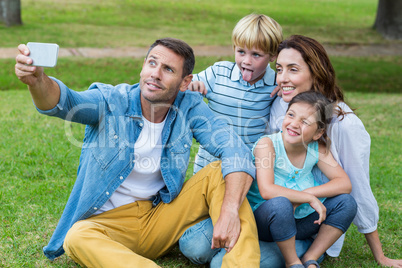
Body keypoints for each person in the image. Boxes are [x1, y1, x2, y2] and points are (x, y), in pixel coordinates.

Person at [14, 37, 261, 267]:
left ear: (185, 82)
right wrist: (38, 82)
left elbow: (235, 150)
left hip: (157, 217)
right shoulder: (113, 100)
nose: (155, 74)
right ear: (143, 66)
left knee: (220, 172)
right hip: (106, 226)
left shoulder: (189, 106)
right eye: (152, 63)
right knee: (76, 237)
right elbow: (66, 102)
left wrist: (229, 211)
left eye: (168, 69)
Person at [266, 34, 402, 267]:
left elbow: (357, 187)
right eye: (279, 69)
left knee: (263, 261)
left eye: (293, 70)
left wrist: (380, 256)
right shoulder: (280, 104)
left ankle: (307, 254)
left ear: (315, 72)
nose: (282, 78)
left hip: (314, 219)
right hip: (277, 211)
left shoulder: (344, 124)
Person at [178, 13, 283, 265]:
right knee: (195, 245)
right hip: (209, 173)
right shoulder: (218, 73)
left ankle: (261, 247)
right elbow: (185, 86)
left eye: (256, 55)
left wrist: (287, 89)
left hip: (245, 179)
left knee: (227, 228)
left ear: (272, 56)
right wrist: (192, 86)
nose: (246, 61)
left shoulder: (276, 84)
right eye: (240, 52)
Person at [250, 90, 357, 268]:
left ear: (317, 133)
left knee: (346, 203)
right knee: (281, 203)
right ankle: (292, 262)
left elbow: (344, 183)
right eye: (291, 115)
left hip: (301, 221)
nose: (294, 124)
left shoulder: (317, 148)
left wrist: (307, 193)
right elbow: (267, 190)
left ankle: (310, 257)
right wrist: (307, 198)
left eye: (305, 122)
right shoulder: (267, 145)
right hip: (266, 220)